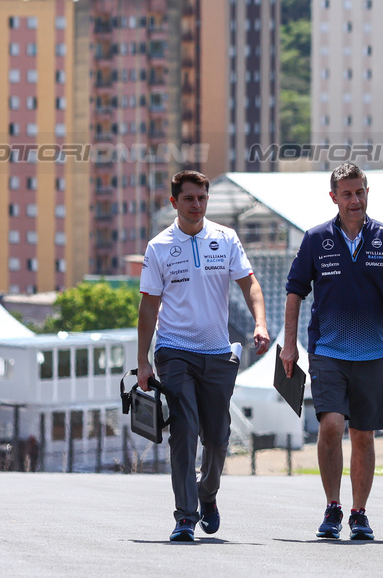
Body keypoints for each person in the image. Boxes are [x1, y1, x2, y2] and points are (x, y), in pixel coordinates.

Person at [281, 163, 383, 542]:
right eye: (347, 194)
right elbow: (295, 292)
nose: (354, 200)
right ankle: (332, 506)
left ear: (367, 192)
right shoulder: (315, 238)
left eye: (360, 192)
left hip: (373, 354)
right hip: (328, 350)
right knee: (332, 425)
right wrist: (290, 345)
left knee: (363, 436)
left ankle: (359, 514)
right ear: (334, 197)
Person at [137, 170, 270, 542]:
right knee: (185, 429)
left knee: (218, 437)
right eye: (189, 199)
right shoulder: (159, 247)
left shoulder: (226, 239)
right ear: (174, 202)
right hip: (174, 350)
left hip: (217, 352)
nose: (196, 205)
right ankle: (184, 516)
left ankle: (207, 494)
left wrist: (260, 323)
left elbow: (250, 284)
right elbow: (148, 308)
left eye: (202, 199)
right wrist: (144, 361)